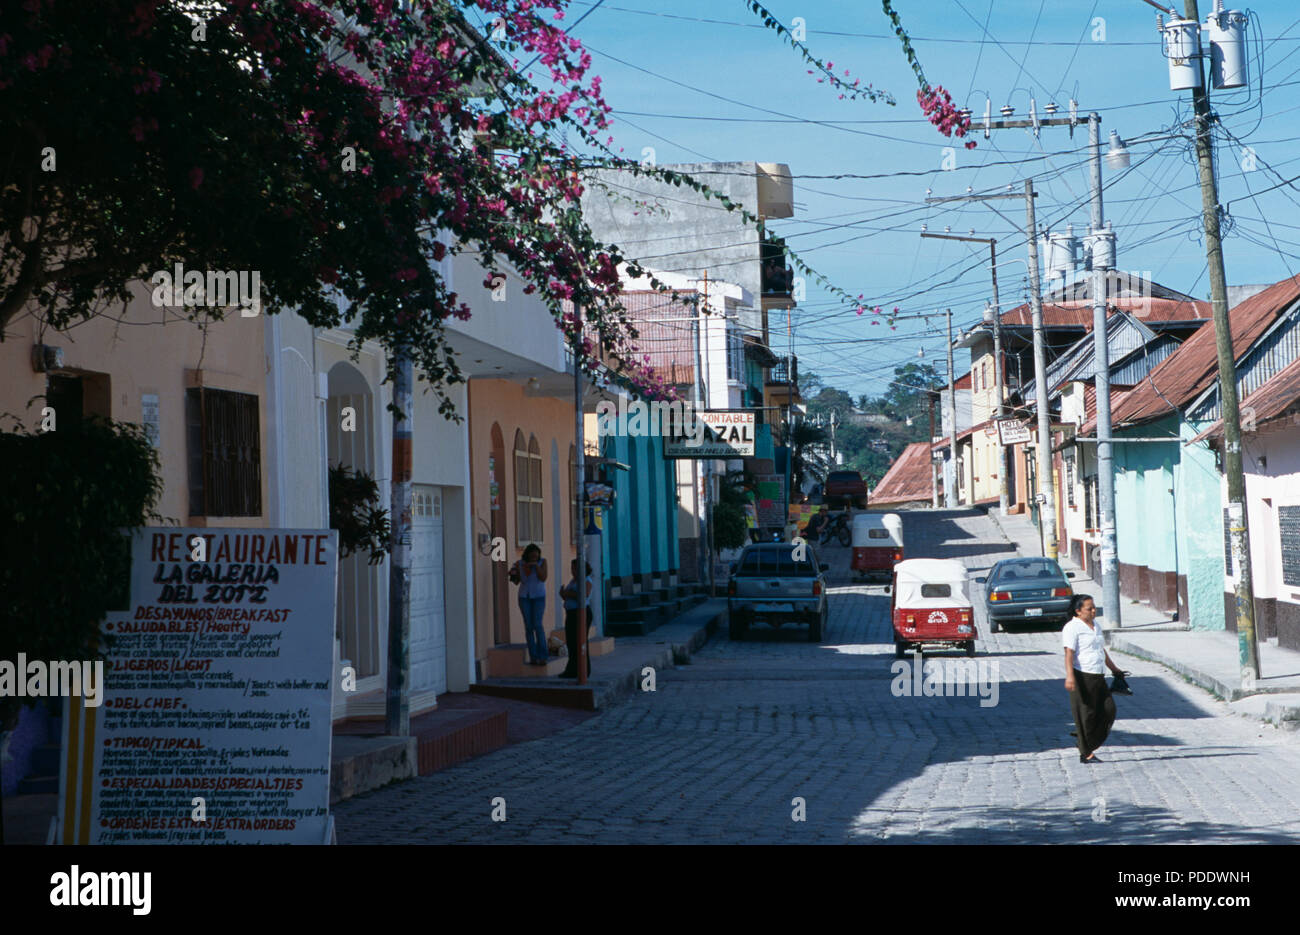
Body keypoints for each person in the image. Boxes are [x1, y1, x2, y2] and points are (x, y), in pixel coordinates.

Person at [1062, 594, 1125, 763]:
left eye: (1094, 607)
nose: (1093, 611)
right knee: (1085, 714)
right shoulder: (1072, 627)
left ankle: (1086, 743)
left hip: (1098, 675)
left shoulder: (1095, 625)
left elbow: (1101, 650)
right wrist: (1069, 676)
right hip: (1082, 675)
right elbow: (1069, 653)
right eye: (1089, 608)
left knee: (1108, 709)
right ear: (1078, 611)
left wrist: (1115, 669)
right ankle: (1086, 752)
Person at [509, 544, 548, 665]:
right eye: (532, 556)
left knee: (538, 625)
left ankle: (543, 656)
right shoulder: (521, 563)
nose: (534, 558)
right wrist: (514, 573)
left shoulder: (542, 562)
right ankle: (533, 656)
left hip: (539, 597)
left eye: (536, 556)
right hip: (524, 597)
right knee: (529, 627)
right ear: (527, 555)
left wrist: (536, 566)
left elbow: (543, 578)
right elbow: (518, 581)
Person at [558, 558, 594, 678]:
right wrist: (564, 594)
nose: (572, 571)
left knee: (580, 640)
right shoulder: (574, 581)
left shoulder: (586, 580)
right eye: (572, 568)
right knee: (571, 642)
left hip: (581, 613)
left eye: (574, 568)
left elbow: (584, 595)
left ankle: (584, 669)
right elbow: (569, 596)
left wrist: (568, 594)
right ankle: (572, 668)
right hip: (571, 613)